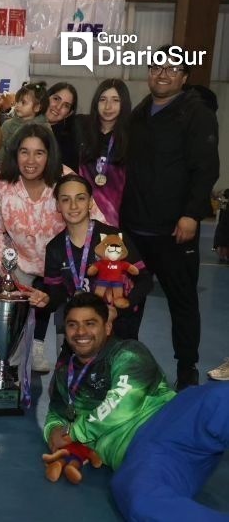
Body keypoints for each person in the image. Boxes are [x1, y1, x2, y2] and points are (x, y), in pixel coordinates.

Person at [44, 292, 229, 521]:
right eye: (73, 325)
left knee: (220, 398)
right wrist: (53, 432)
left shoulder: (128, 352)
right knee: (140, 501)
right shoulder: (65, 376)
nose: (80, 332)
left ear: (108, 327)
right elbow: (55, 416)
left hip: (173, 418)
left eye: (90, 323)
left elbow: (124, 398)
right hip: (142, 454)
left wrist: (74, 432)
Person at [122, 45, 220, 390]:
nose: (161, 74)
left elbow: (206, 168)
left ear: (184, 76)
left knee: (182, 300)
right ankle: (125, 359)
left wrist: (192, 215)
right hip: (134, 227)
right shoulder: (140, 112)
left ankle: (186, 368)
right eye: (155, 67)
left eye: (170, 69)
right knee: (128, 299)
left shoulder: (196, 113)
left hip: (174, 229)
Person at [0, 124, 104, 373]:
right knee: (11, 326)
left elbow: (98, 223)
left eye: (39, 153)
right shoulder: (0, 184)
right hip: (20, 263)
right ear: (14, 154)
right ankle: (10, 376)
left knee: (74, 326)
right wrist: (4, 271)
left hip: (66, 265)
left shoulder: (65, 178)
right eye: (24, 152)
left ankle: (75, 376)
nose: (31, 160)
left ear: (49, 155)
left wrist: (96, 263)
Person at [43, 174, 152, 341]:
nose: (73, 206)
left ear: (90, 202)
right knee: (66, 367)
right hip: (81, 334)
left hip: (119, 329)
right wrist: (46, 299)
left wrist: (120, 309)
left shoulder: (113, 237)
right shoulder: (54, 248)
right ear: (58, 205)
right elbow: (57, 295)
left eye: (80, 198)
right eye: (65, 200)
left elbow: (145, 280)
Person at [76, 79, 132, 227]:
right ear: (96, 103)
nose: (108, 106)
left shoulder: (131, 137)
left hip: (118, 217)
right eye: (103, 100)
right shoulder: (82, 131)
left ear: (124, 104)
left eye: (115, 100)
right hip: (80, 213)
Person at [0, 81, 50, 168]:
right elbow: (1, 147)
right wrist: (0, 164)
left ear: (37, 107)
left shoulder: (45, 127)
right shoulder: (7, 125)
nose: (17, 105)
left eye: (23, 103)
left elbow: (49, 152)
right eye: (17, 102)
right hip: (10, 169)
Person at [44, 82, 81, 171]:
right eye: (56, 99)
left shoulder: (69, 143)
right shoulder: (23, 125)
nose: (58, 107)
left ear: (69, 114)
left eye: (66, 105)